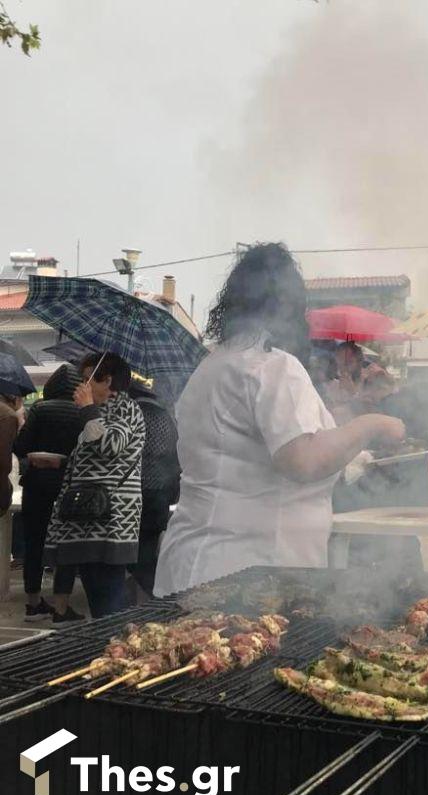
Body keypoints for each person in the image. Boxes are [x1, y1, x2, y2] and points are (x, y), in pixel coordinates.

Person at [153, 243, 405, 596]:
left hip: (199, 561)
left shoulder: (215, 365)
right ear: (288, 306)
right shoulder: (271, 365)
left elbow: (272, 441)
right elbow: (302, 459)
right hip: (247, 573)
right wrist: (372, 424)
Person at [45, 352, 146, 618]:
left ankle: (114, 648)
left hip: (110, 521)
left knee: (109, 599)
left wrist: (88, 410)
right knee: (97, 596)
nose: (82, 386)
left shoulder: (126, 407)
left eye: (88, 379)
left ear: (108, 381)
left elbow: (111, 446)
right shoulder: (99, 411)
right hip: (85, 519)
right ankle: (108, 646)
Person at [12, 364, 83, 623]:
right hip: (70, 487)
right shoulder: (82, 412)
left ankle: (33, 604)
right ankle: (62, 606)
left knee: (34, 543)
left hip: (36, 485)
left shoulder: (40, 408)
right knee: (66, 545)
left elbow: (21, 446)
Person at [126, 383, 181, 600]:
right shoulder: (167, 418)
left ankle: (158, 595)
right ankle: (150, 594)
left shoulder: (132, 415)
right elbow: (176, 455)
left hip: (133, 492)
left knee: (131, 552)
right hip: (160, 492)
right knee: (147, 547)